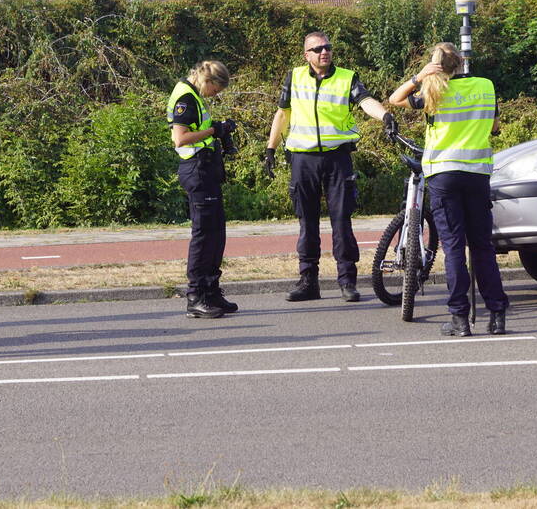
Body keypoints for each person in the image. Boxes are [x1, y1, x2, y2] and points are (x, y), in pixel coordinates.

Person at [264, 31, 397, 303]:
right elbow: (282, 114)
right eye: (317, 49)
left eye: (327, 47)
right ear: (307, 55)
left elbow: (365, 101)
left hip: (337, 159)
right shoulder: (295, 76)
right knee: (307, 222)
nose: (324, 52)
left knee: (341, 220)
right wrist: (271, 148)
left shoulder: (346, 77)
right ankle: (308, 282)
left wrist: (385, 115)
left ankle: (347, 281)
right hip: (303, 159)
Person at [387, 41, 508, 336]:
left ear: (436, 65)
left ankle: (459, 320)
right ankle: (496, 315)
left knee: (453, 247)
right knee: (482, 246)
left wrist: (419, 77)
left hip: (443, 174)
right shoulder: (486, 86)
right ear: (461, 63)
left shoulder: (433, 92)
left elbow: (395, 99)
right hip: (476, 174)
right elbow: (493, 127)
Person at [167, 60, 238, 318]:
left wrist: (216, 130)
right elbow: (180, 138)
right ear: (208, 81)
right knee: (203, 235)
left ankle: (211, 290)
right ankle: (195, 296)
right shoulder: (185, 96)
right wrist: (214, 129)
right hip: (196, 170)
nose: (215, 95)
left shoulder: (195, 95)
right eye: (216, 90)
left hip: (207, 169)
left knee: (217, 232)